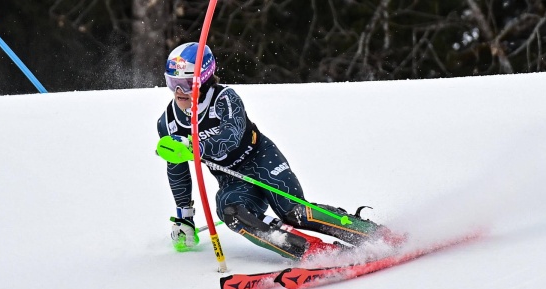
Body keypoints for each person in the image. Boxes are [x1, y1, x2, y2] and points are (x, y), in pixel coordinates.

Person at [156, 42, 403, 260]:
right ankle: (311, 251)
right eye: (173, 84)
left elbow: (231, 136)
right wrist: (184, 217)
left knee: (293, 212)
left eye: (186, 85)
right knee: (229, 210)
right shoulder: (168, 122)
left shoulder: (225, 99)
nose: (179, 93)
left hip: (261, 161)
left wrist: (194, 146)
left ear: (204, 79)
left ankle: (374, 234)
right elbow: (177, 170)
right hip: (232, 179)